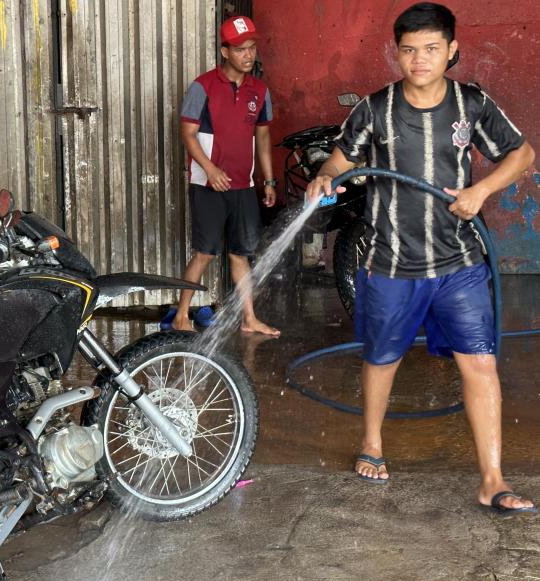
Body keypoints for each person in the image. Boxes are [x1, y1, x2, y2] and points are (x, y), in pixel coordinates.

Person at [306, 2, 535, 514]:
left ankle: (493, 479)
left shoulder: (471, 104)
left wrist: (483, 192)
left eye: (431, 49)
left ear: (451, 50)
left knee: (479, 363)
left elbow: (522, 155)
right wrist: (325, 176)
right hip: (391, 261)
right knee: (381, 358)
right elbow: (340, 160)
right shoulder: (374, 108)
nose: (419, 59)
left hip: (459, 263)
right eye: (409, 50)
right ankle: (372, 442)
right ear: (397, 53)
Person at [171, 15, 280, 335]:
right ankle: (181, 315)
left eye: (252, 48)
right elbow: (188, 134)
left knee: (240, 253)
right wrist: (209, 168)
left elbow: (262, 138)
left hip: (243, 185)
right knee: (205, 252)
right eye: (241, 49)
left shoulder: (259, 91)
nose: (249, 55)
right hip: (208, 184)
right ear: (225, 51)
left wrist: (268, 180)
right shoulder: (202, 86)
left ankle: (249, 318)